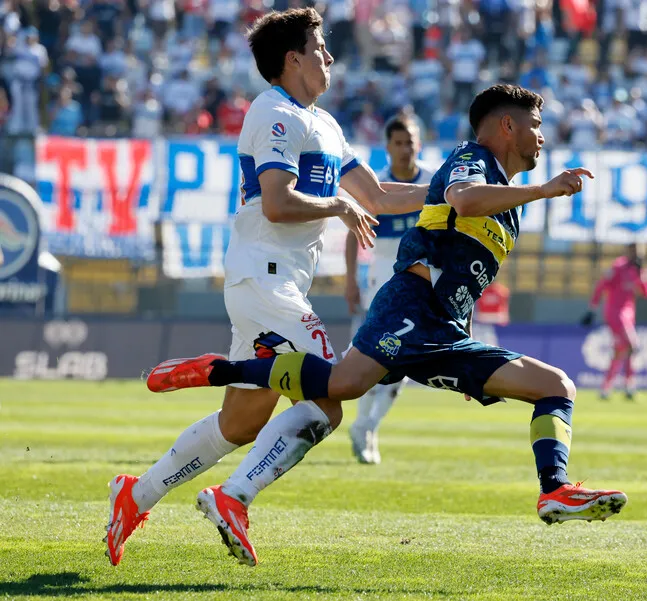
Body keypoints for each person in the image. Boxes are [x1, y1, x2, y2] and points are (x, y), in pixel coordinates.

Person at [145, 84, 628, 566]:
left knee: (351, 386)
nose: (541, 137)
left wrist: (467, 340)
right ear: (508, 126)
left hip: (443, 328)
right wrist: (544, 189)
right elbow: (460, 199)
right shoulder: (473, 159)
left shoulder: (508, 199)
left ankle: (555, 492)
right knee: (346, 389)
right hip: (410, 308)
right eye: (535, 126)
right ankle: (555, 489)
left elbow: (466, 267)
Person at [104, 8, 428, 567]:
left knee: (240, 423)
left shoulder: (323, 123)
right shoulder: (273, 112)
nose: (330, 57)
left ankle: (137, 494)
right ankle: (234, 495)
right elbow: (277, 204)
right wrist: (337, 205)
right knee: (330, 400)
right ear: (293, 58)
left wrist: (451, 190)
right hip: (265, 278)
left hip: (271, 284)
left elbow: (376, 196)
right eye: (320, 46)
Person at [344, 115, 436, 465]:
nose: (404, 149)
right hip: (383, 274)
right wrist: (350, 279)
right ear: (388, 147)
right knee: (374, 356)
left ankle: (366, 426)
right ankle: (364, 427)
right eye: (397, 143)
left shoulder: (433, 182)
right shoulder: (376, 185)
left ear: (419, 143)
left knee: (408, 360)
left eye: (409, 141)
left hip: (424, 278)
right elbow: (356, 234)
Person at [581, 244, 647, 401]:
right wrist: (592, 309)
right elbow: (601, 286)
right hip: (615, 313)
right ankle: (627, 386)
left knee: (622, 350)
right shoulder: (618, 266)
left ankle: (608, 388)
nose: (637, 254)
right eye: (634, 250)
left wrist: (643, 276)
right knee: (632, 344)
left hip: (629, 315)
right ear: (629, 251)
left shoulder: (639, 269)